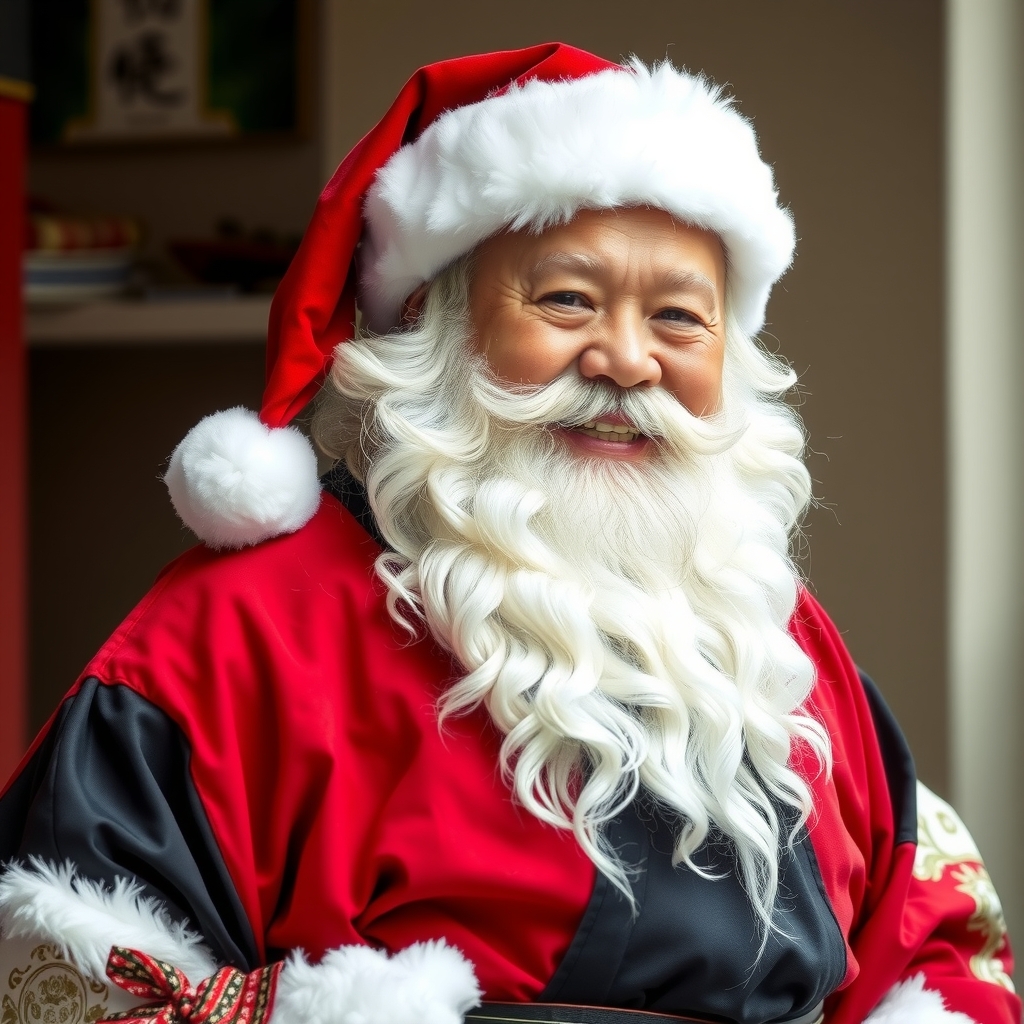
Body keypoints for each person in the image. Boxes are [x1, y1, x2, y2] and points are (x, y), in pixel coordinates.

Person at [0, 43, 1017, 1024]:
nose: (625, 359)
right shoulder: (235, 633)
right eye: (567, 300)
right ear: (438, 329)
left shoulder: (774, 645)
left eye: (677, 318)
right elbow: (58, 960)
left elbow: (941, 944)